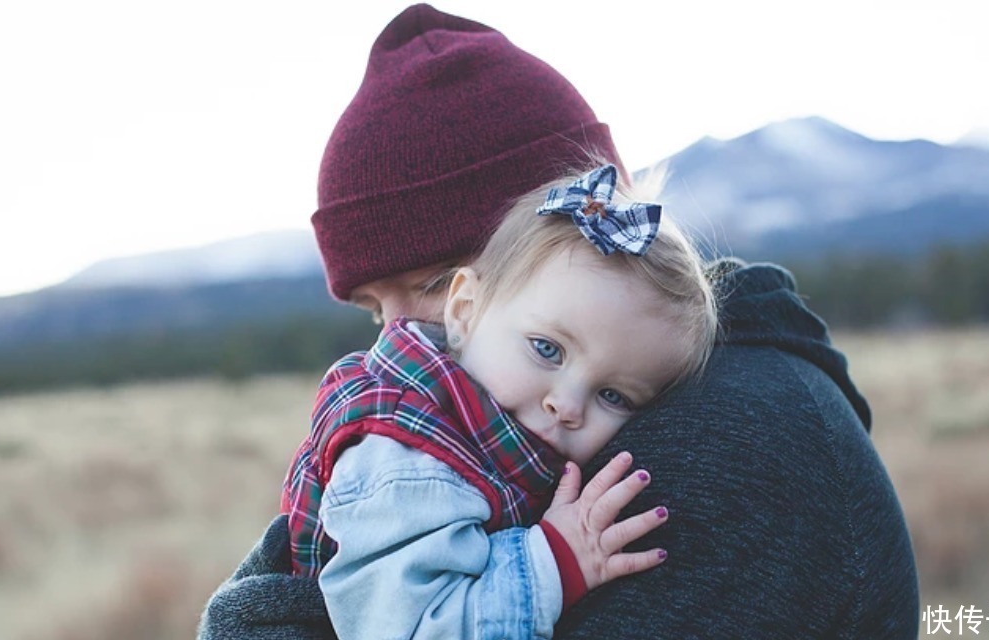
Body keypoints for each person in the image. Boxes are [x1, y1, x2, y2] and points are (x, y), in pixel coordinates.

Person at [198, 4, 919, 639]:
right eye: (371, 307)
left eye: (429, 284)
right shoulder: (493, 431)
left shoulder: (722, 448)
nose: (395, 336)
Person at [281, 163, 717, 639]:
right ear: (465, 310)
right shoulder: (406, 461)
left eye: (613, 395)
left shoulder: (487, 433)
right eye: (547, 349)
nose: (568, 405)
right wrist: (554, 561)